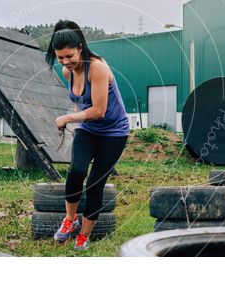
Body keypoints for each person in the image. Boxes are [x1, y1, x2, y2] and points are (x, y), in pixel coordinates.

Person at [44, 20, 130, 250]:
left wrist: (68, 119)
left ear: (80, 47)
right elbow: (80, 102)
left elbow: (99, 111)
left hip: (114, 133)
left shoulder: (98, 68)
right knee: (76, 171)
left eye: (69, 56)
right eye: (60, 57)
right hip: (89, 129)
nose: (65, 62)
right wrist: (76, 119)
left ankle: (84, 235)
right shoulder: (67, 70)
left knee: (94, 184)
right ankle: (70, 220)